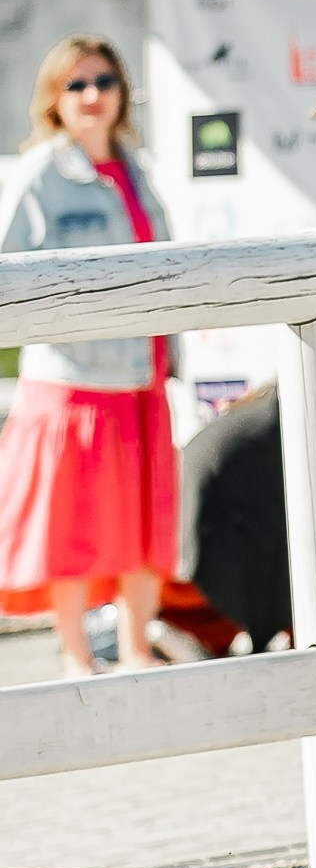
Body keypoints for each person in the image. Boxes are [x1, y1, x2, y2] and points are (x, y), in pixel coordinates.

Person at [0, 38, 176, 675]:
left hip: (142, 378)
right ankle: (77, 656)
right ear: (54, 97)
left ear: (124, 91)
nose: (92, 95)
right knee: (69, 526)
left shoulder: (138, 168)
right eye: (76, 84)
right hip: (72, 384)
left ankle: (136, 649)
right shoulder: (40, 173)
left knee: (144, 525)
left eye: (104, 81)